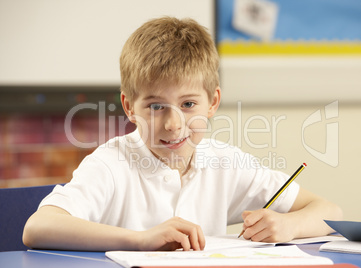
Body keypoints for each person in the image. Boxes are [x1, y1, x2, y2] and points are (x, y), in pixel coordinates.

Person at [23, 17, 342, 251]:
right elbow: (37, 227)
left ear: (212, 102)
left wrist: (288, 225)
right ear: (129, 106)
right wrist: (139, 240)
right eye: (155, 106)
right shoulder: (112, 164)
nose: (173, 124)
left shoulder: (225, 163)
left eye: (188, 104)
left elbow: (330, 212)